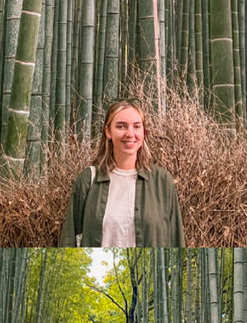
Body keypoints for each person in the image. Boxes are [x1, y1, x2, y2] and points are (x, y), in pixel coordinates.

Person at [59, 100, 185, 247]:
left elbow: (176, 240)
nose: (130, 134)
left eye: (137, 126)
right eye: (121, 126)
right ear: (108, 131)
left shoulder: (162, 181)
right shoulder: (89, 179)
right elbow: (69, 240)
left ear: (144, 132)